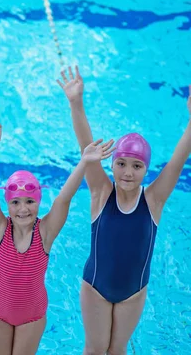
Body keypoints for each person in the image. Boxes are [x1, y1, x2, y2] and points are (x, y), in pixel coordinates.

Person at [58, 66, 191, 355]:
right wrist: (76, 104)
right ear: (112, 164)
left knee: (117, 350)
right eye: (121, 164)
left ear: (146, 169)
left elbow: (179, 160)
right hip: (95, 288)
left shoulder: (153, 200)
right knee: (95, 350)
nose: (128, 173)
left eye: (137, 166)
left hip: (133, 294)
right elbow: (86, 145)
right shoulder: (101, 193)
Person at [0, 111, 114, 354]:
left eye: (30, 201)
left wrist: (84, 162)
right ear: (7, 205)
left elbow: (64, 198)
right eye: (15, 202)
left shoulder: (45, 233)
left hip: (32, 316)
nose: (23, 209)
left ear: (39, 203)